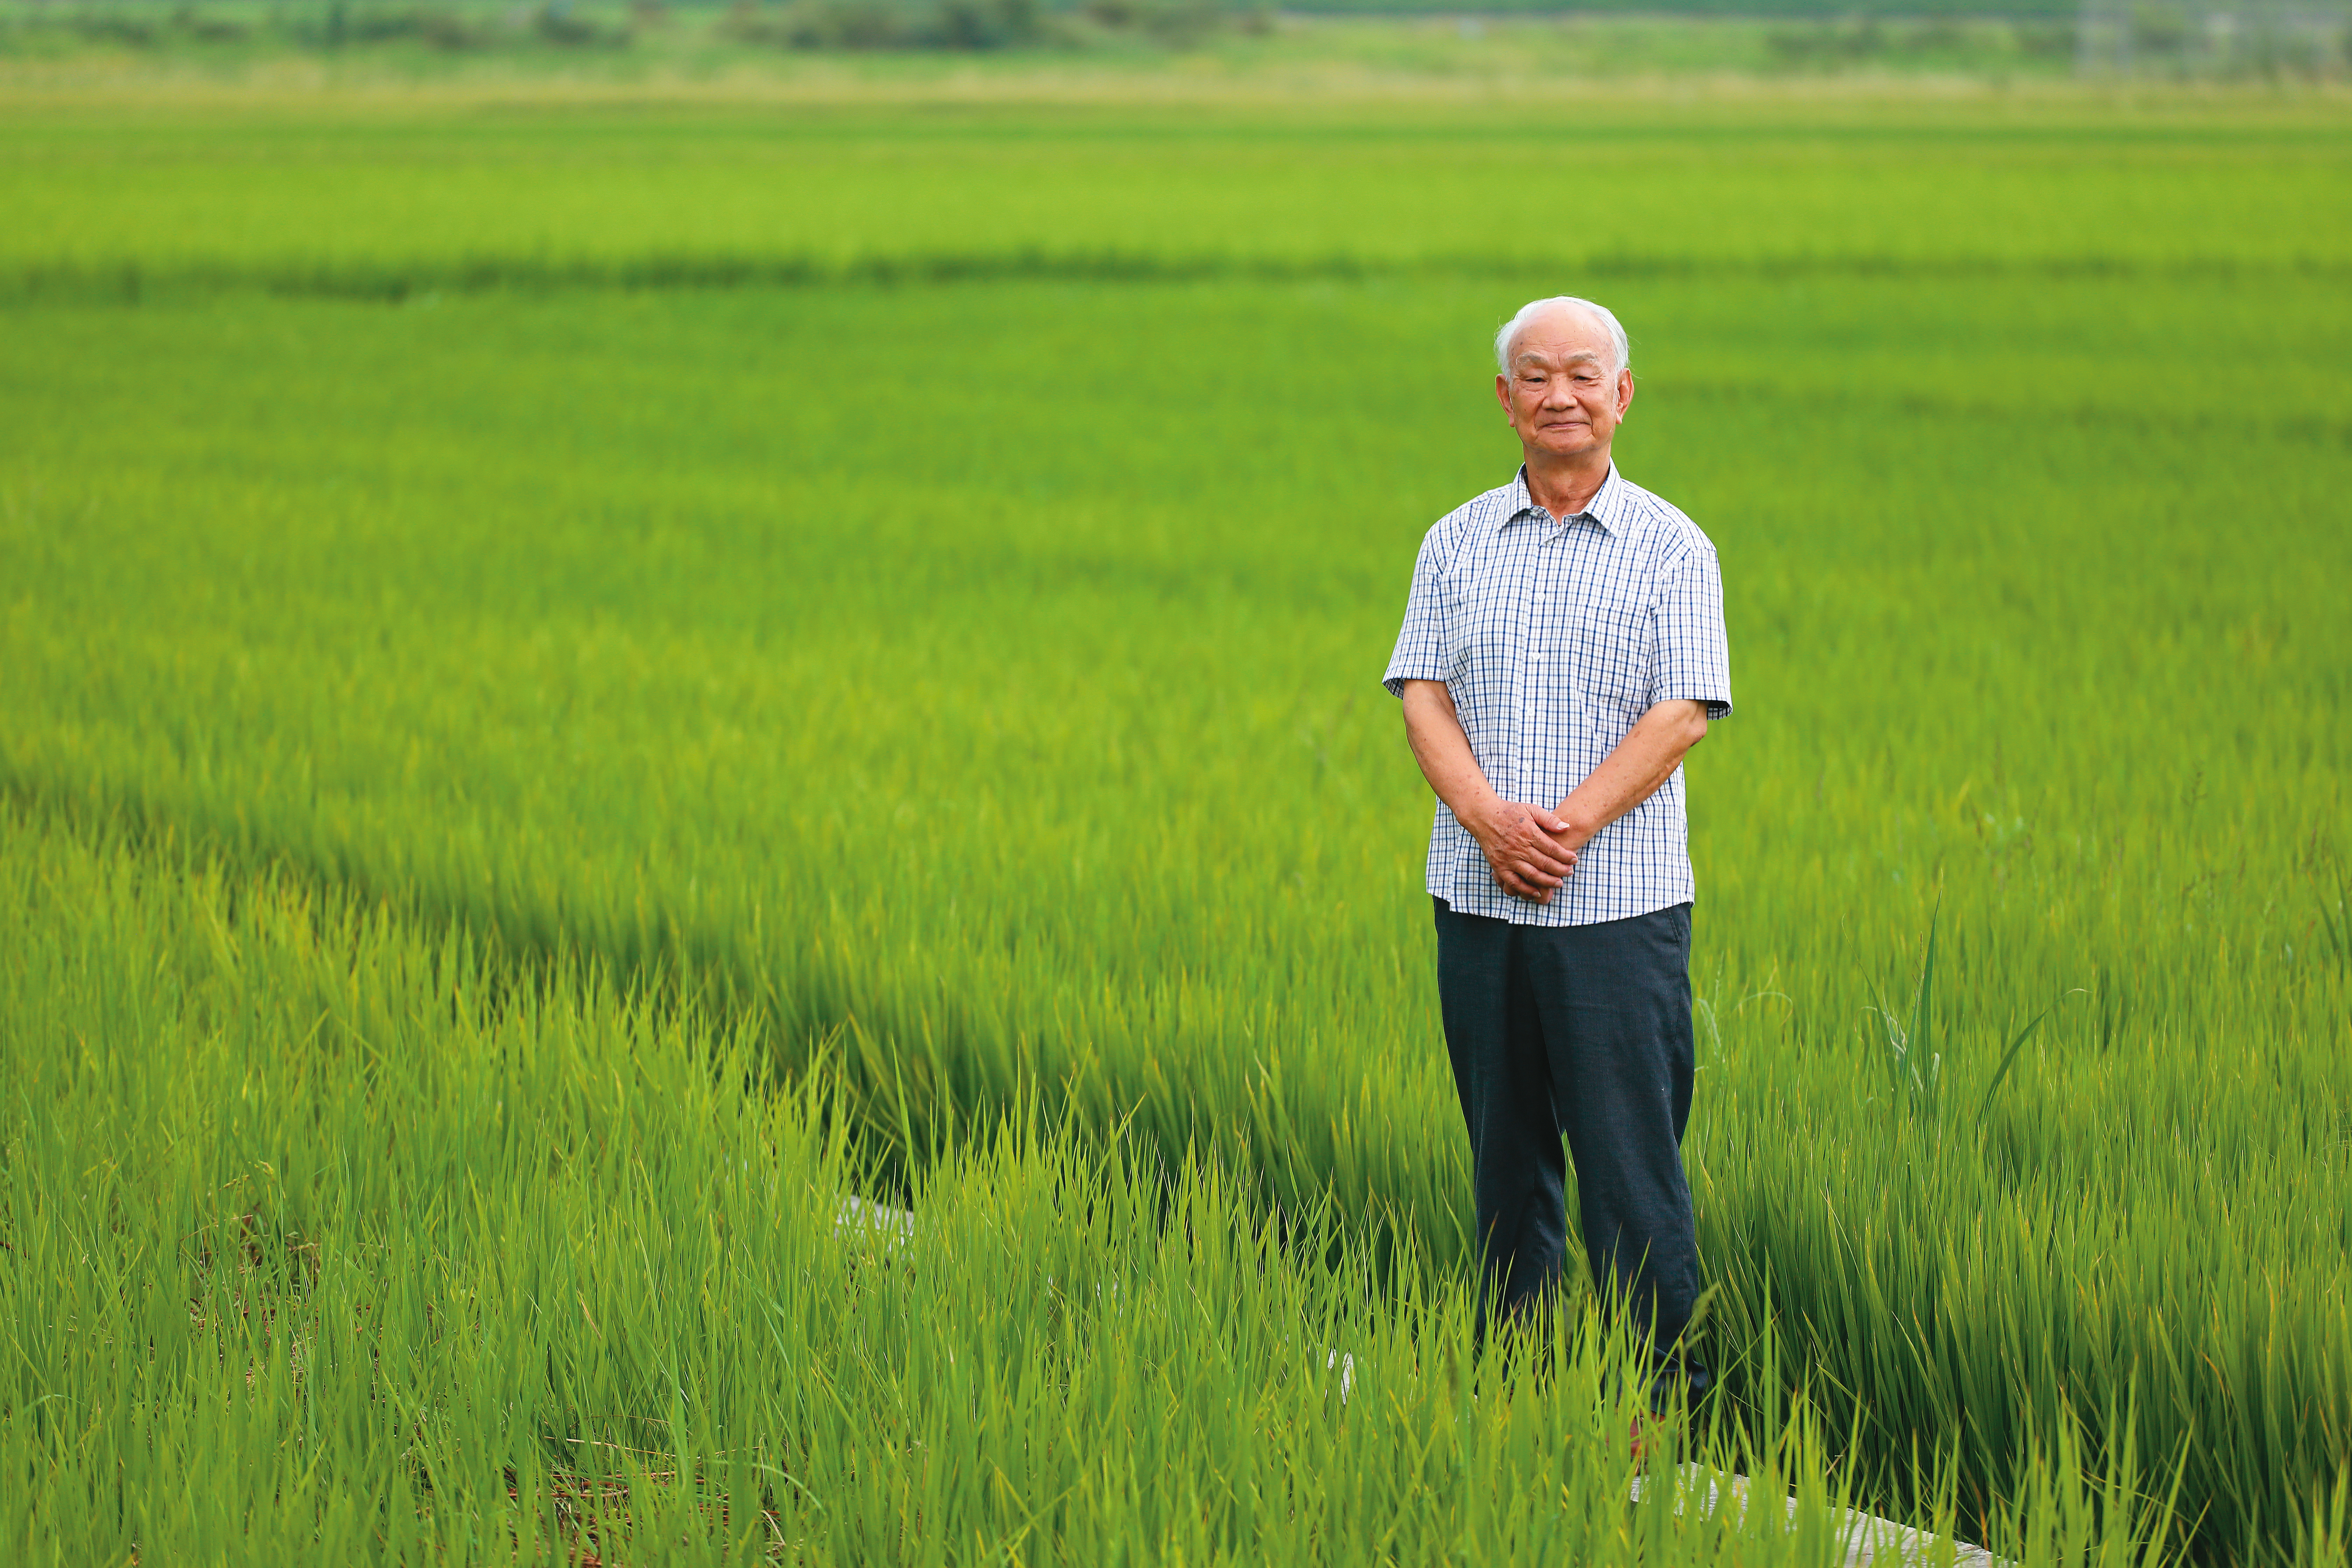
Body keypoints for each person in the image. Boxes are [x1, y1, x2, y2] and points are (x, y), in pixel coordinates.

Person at [1382, 296, 1732, 1393]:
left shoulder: (1673, 548)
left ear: (1622, 396)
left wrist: (1565, 827)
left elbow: (1683, 710)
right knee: (1505, 1165)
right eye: (1535, 376)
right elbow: (1422, 695)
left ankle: (1661, 1411)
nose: (1559, 395)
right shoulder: (1454, 541)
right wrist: (1489, 820)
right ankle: (1516, 1387)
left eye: (1583, 375)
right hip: (1479, 905)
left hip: (1617, 911)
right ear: (1505, 400)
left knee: (1631, 1172)